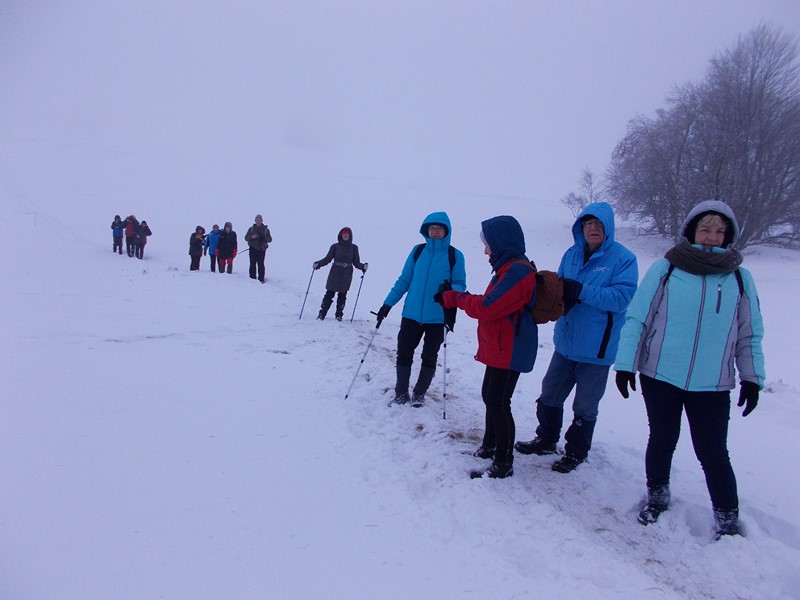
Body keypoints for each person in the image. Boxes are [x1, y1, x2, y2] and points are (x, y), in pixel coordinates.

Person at [614, 200, 765, 539]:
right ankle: (657, 498)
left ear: (728, 236)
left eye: (719, 231)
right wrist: (625, 364)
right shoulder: (666, 269)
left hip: (712, 384)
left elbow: (749, 333)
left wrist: (752, 378)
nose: (712, 236)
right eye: (705, 229)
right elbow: (638, 318)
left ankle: (727, 519)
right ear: (691, 231)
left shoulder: (740, 278)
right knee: (663, 439)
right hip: (660, 376)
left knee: (713, 452)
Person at [515, 202, 638, 473]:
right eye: (587, 223)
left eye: (598, 224)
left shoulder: (623, 259)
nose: (592, 228)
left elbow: (621, 298)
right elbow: (560, 287)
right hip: (566, 342)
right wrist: (551, 299)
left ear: (608, 227)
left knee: (585, 405)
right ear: (580, 227)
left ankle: (576, 452)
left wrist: (581, 290)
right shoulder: (571, 254)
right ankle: (546, 439)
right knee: (549, 393)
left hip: (597, 349)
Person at [438, 215, 537, 479]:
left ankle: (503, 462)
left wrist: (455, 298)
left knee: (499, 401)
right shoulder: (508, 269)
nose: (485, 251)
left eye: (488, 244)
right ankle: (489, 447)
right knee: (490, 396)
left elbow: (488, 307)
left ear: (501, 243)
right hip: (502, 347)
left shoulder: (518, 271)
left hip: (511, 348)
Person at [375, 212, 466, 408]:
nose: (434, 232)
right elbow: (404, 280)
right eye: (431, 228)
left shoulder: (454, 255)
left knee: (429, 356)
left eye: (439, 228)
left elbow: (460, 284)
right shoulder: (417, 251)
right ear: (426, 230)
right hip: (411, 314)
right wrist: (387, 304)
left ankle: (419, 394)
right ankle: (400, 392)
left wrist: (450, 290)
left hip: (437, 316)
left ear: (446, 231)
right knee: (404, 353)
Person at [313, 227, 368, 321]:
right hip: (335, 272)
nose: (345, 235)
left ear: (350, 236)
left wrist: (363, 266)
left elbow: (356, 262)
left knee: (342, 295)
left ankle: (339, 315)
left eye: (347, 234)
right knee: (329, 294)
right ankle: (322, 314)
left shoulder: (354, 248)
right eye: (344, 234)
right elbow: (328, 259)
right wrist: (318, 264)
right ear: (340, 235)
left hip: (346, 274)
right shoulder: (335, 246)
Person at [244, 214, 272, 283]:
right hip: (252, 248)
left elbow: (270, 239)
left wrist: (264, 238)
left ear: (262, 221)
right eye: (257, 220)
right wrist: (252, 237)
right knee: (252, 264)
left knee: (261, 264)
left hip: (262, 250)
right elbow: (246, 238)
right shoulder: (251, 229)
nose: (258, 221)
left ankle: (261, 279)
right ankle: (252, 278)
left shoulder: (266, 230)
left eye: (259, 220)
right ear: (255, 221)